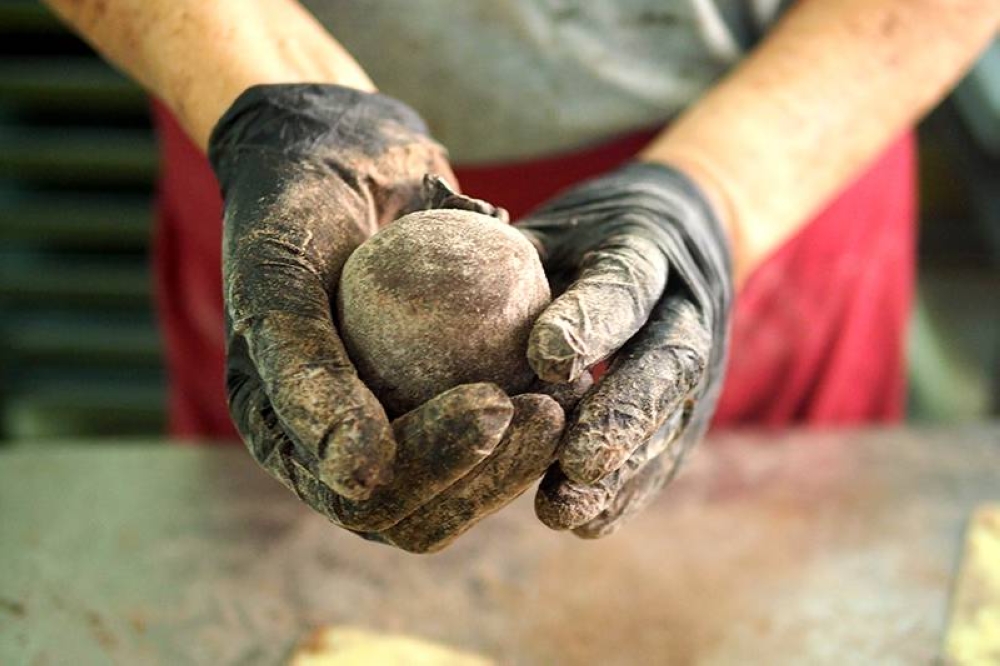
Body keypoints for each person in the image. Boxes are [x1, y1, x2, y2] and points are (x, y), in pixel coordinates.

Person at [43, 0, 997, 551]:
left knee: (739, 597)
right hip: (293, 160)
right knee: (295, 578)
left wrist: (718, 201)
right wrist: (277, 93)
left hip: (776, 139)